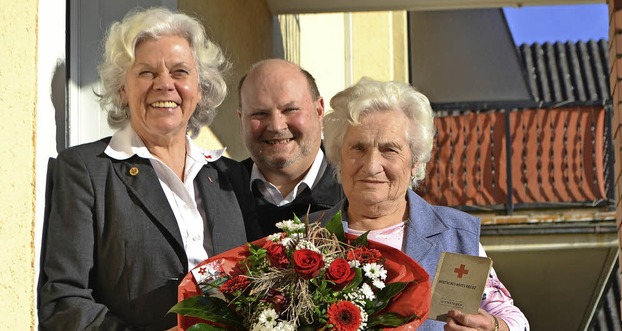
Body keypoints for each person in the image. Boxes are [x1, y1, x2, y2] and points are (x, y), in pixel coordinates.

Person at [38, 7, 261, 330]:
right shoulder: (86, 171)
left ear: (200, 90)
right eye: (146, 73)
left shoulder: (231, 177)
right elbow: (64, 301)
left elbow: (263, 281)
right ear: (122, 90)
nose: (164, 85)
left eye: (180, 72)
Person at [313, 77, 530, 331]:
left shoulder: (454, 236)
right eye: (358, 148)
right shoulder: (303, 237)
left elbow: (514, 319)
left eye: (389, 150)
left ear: (414, 162)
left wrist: (494, 327)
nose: (371, 166)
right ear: (339, 156)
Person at [237, 59, 344, 235]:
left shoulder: (357, 190)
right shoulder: (218, 195)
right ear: (241, 120)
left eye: (290, 110)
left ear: (319, 111)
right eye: (259, 113)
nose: (276, 126)